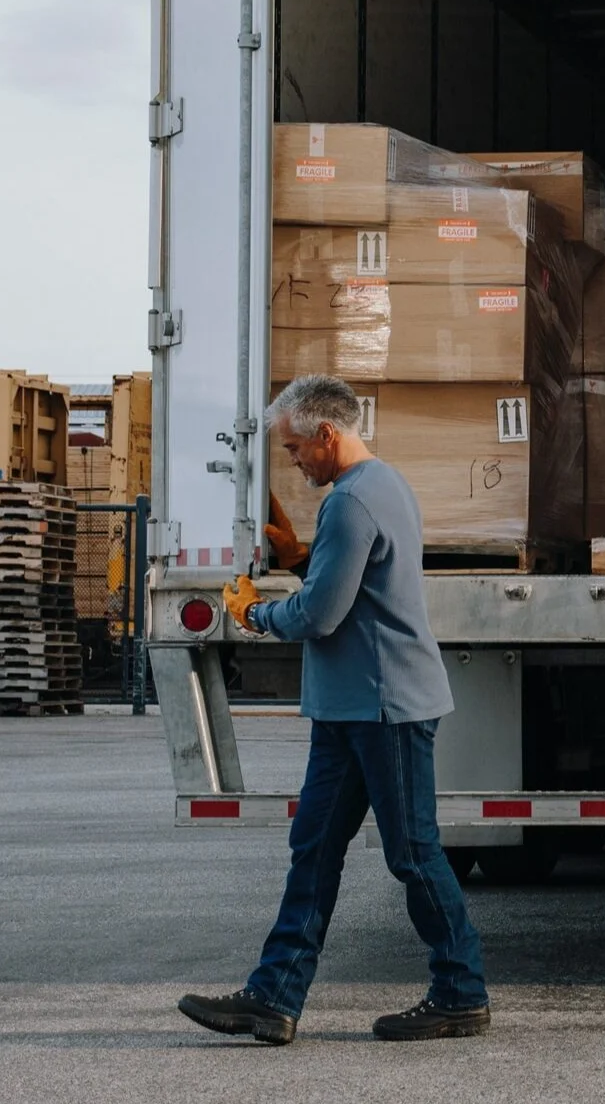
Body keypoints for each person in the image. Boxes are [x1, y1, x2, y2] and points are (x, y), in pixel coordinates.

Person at [176, 373, 491, 1046]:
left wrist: (255, 614)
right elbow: (348, 581)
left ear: (327, 434)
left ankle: (461, 992)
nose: (293, 462)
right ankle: (273, 995)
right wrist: (300, 557)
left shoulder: (351, 503)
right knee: (314, 849)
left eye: (295, 449)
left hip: (385, 705)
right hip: (352, 706)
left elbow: (321, 613)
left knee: (413, 852)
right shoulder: (381, 485)